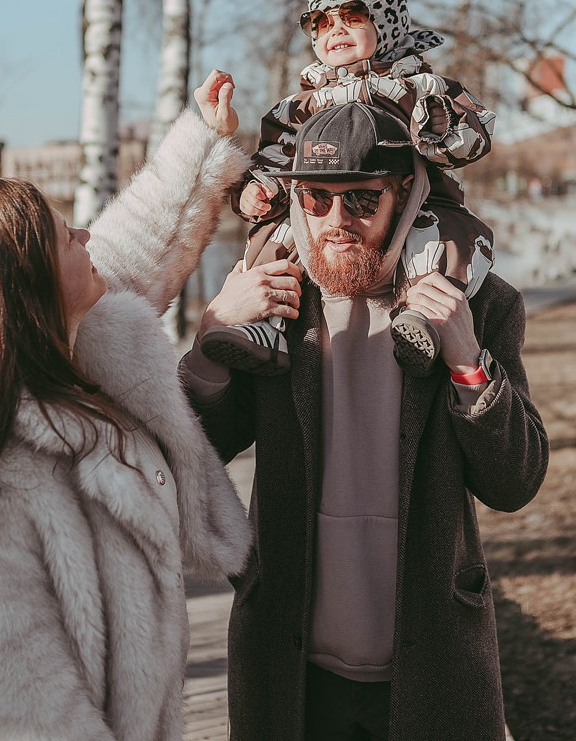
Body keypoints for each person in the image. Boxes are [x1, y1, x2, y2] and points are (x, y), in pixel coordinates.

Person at [180, 101, 549, 741]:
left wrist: (467, 360)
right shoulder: (275, 300)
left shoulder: (478, 301)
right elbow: (192, 451)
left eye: (360, 199)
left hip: (431, 673)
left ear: (405, 193)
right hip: (289, 674)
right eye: (316, 199)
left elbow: (514, 482)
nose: (334, 221)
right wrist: (211, 334)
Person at [0, 71, 251, 741]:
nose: (89, 239)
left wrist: (203, 139)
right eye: (69, 238)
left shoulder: (78, 344)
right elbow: (17, 694)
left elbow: (140, 239)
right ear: (30, 281)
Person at [199, 0, 496, 379]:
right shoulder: (304, 101)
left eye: (352, 17)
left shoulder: (417, 84)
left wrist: (434, 122)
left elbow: (471, 138)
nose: (334, 29)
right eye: (320, 21)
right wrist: (257, 190)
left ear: (386, 20)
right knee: (276, 235)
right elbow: (278, 154)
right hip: (328, 210)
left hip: (422, 201)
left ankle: (425, 319)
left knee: (448, 239)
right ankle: (265, 325)